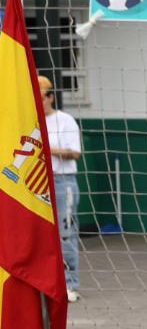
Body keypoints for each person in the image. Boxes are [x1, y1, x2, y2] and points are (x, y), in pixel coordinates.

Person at [38, 77, 83, 302]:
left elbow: (75, 152)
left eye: (42, 96)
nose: (39, 101)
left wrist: (50, 149)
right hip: (37, 183)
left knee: (65, 233)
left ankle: (70, 283)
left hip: (62, 180)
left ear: (50, 97)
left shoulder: (65, 121)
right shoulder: (29, 121)